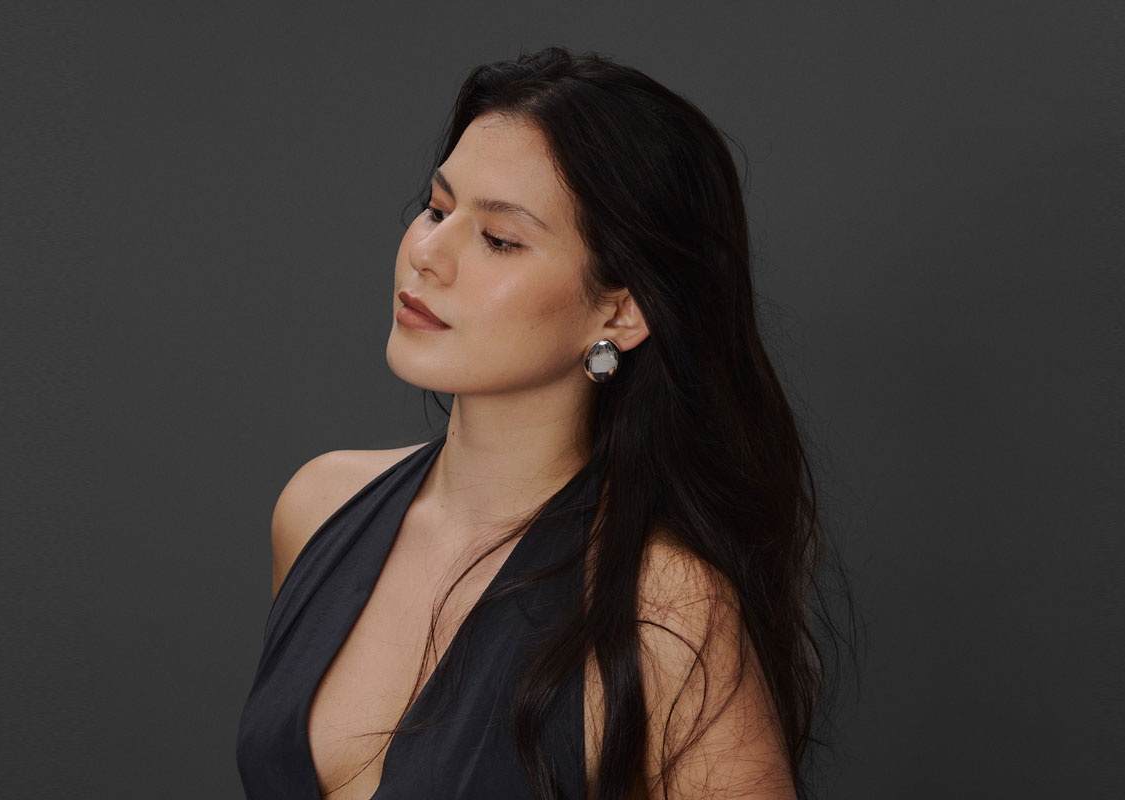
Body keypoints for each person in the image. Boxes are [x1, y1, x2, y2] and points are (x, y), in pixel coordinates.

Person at [237, 46, 844, 800]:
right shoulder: (318, 506)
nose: (427, 253)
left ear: (621, 311)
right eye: (437, 209)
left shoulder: (665, 608)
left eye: (499, 239)